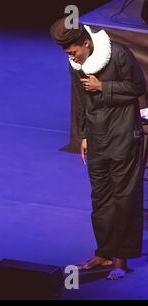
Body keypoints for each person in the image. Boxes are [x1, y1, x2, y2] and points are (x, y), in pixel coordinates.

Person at [50, 17, 147, 280]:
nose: (71, 57)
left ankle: (121, 258)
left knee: (124, 197)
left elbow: (139, 87)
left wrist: (103, 86)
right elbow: (81, 101)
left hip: (124, 134)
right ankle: (104, 252)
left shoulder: (119, 54)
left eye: (73, 51)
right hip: (97, 136)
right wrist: (82, 135)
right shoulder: (76, 64)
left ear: (85, 42)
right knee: (100, 197)